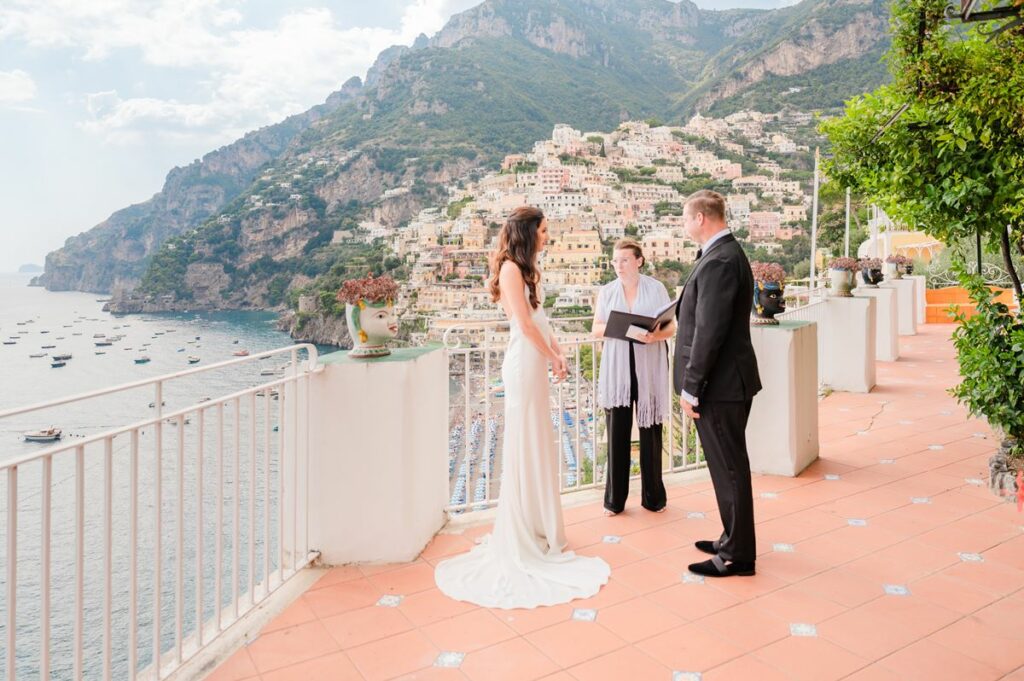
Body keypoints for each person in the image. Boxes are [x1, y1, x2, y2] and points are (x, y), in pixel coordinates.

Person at [434, 206, 610, 608]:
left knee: (537, 442)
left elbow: (542, 320)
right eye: (544, 231)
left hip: (536, 360)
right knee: (525, 443)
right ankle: (525, 529)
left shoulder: (528, 269)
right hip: (523, 362)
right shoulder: (512, 269)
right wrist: (552, 357)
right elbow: (526, 326)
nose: (548, 237)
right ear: (527, 232)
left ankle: (538, 524)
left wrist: (560, 352)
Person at [673, 190, 762, 578]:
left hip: (721, 386)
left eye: (685, 218)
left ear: (701, 219)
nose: (684, 225)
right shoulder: (724, 255)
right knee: (728, 466)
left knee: (729, 468)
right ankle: (731, 537)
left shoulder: (720, 261)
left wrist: (692, 387)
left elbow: (710, 332)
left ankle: (737, 555)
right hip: (726, 382)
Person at [592, 240, 674, 516]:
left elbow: (670, 325)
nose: (618, 266)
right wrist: (622, 329)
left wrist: (655, 335)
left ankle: (654, 498)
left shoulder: (657, 288)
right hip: (618, 367)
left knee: (651, 431)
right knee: (617, 432)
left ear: (639, 261)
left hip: (648, 364)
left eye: (624, 260)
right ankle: (614, 501)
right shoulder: (607, 291)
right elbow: (596, 328)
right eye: (615, 261)